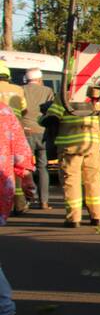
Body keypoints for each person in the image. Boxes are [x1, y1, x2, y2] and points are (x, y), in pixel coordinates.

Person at [43, 90, 100, 228]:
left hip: (69, 147)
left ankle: (74, 219)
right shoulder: (99, 97)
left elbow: (51, 119)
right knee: (94, 181)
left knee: (71, 182)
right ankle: (97, 216)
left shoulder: (65, 96)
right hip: (92, 146)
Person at [1, 99, 35, 315]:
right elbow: (20, 149)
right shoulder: (4, 111)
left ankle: (5, 312)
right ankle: (5, 312)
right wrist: (27, 177)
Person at [19, 68, 54, 210]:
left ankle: (25, 201)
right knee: (42, 167)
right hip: (42, 132)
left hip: (25, 132)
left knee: (25, 167)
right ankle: (44, 202)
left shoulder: (20, 90)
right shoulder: (48, 91)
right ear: (40, 79)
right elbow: (51, 111)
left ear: (26, 79)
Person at [0, 62, 28, 214]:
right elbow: (24, 110)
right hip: (14, 132)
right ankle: (19, 204)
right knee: (16, 168)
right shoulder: (18, 90)